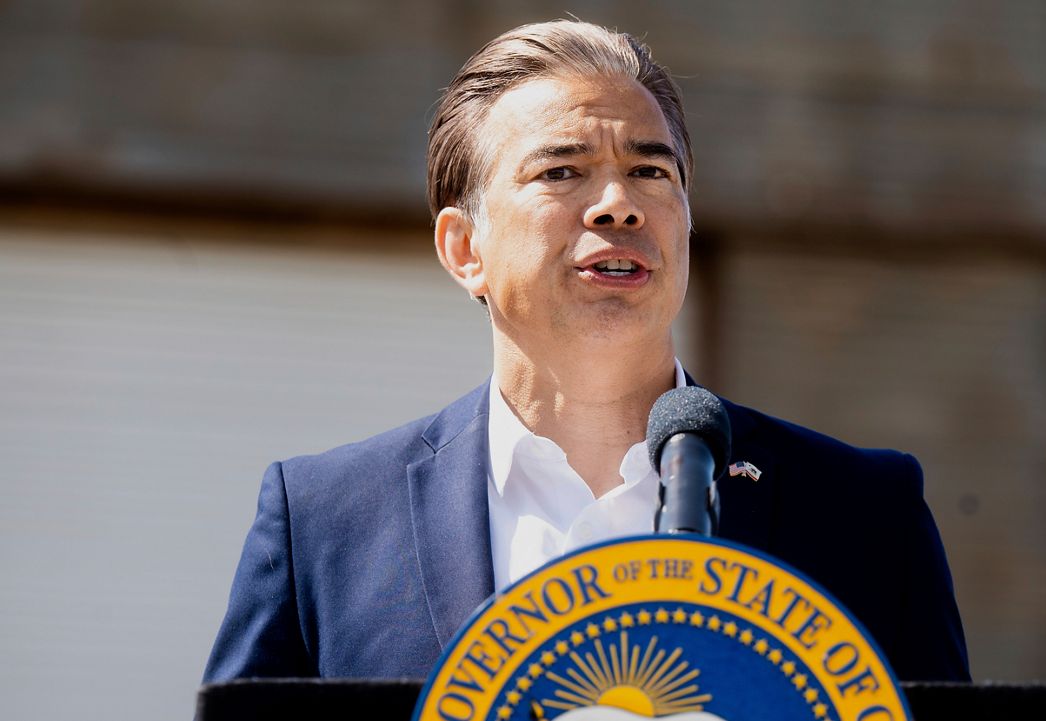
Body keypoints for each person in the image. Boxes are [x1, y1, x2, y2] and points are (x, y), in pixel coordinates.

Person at [203, 19, 969, 685]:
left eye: (649, 171)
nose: (618, 204)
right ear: (464, 247)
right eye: (562, 171)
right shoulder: (325, 525)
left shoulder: (865, 513)